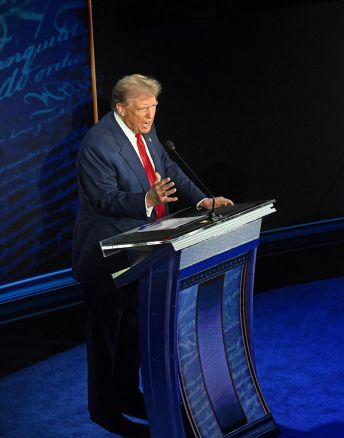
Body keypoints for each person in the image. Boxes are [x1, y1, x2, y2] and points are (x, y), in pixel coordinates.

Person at [71, 74, 233, 436]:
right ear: (121, 108)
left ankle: (128, 395)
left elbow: (167, 167)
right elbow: (104, 200)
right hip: (107, 258)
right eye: (143, 109)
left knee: (133, 332)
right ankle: (104, 410)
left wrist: (203, 199)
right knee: (106, 339)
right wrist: (147, 199)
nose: (150, 115)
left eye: (154, 107)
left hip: (146, 251)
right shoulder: (97, 145)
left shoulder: (146, 130)